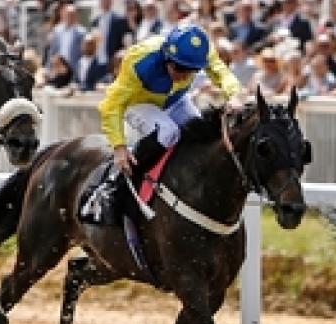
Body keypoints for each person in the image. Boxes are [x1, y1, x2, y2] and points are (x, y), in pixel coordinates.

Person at [96, 24, 243, 201]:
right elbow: (111, 104)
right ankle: (118, 183)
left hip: (175, 99)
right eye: (180, 68)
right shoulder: (140, 60)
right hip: (138, 103)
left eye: (192, 70)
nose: (185, 76)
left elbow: (220, 71)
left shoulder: (201, 50)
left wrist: (233, 95)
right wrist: (119, 147)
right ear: (167, 57)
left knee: (201, 137)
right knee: (168, 132)